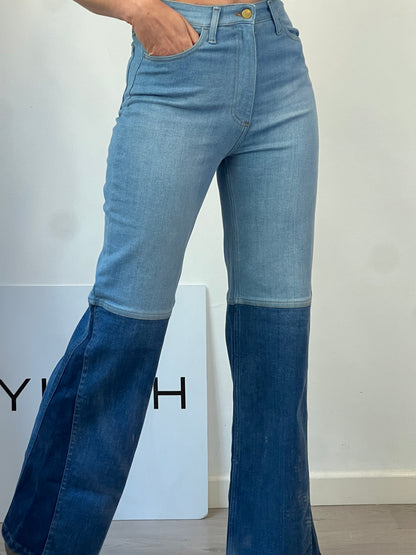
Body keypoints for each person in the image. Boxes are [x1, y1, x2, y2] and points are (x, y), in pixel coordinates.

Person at [2, 0, 322, 552]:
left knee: (278, 338)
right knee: (125, 322)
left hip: (278, 62)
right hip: (177, 69)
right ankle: (46, 542)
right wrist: (139, 10)